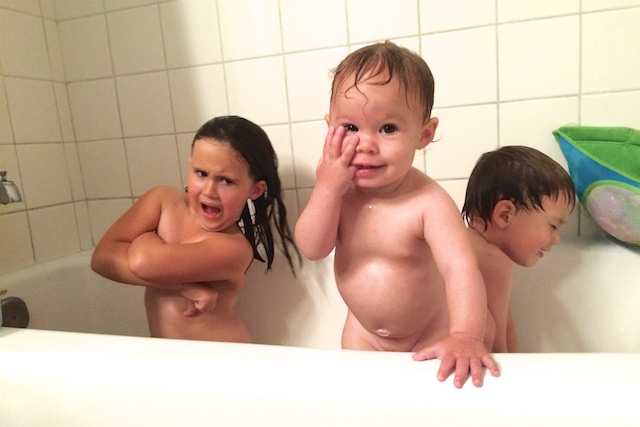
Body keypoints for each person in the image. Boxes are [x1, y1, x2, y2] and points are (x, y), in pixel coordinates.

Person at [294, 41, 499, 388]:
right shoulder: (338, 194)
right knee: (367, 407)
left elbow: (459, 267)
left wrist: (465, 334)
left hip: (430, 333)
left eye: (387, 128)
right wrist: (327, 189)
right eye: (350, 128)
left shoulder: (428, 203)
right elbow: (312, 248)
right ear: (330, 126)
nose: (366, 144)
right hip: (364, 336)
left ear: (424, 134)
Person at [91, 115, 300, 342]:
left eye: (226, 180)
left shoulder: (234, 249)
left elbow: (143, 262)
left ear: (255, 190)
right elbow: (102, 259)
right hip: (174, 362)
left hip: (223, 364)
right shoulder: (162, 200)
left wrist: (144, 239)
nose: (209, 191)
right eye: (201, 173)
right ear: (190, 165)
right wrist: (186, 286)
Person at [462, 145, 576, 352]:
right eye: (553, 226)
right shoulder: (493, 261)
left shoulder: (458, 245)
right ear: (505, 215)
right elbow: (498, 344)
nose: (557, 238)